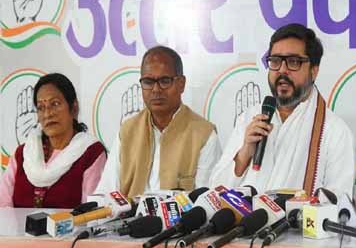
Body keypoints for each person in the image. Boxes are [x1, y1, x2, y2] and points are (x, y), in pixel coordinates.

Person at [210, 24, 355, 197]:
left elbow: (338, 202)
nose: (282, 70)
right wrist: (245, 153)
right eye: (275, 61)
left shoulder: (334, 131)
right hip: (246, 215)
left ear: (314, 71)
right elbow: (215, 190)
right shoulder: (250, 118)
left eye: (293, 62)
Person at [95, 46, 221, 198]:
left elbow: (206, 199)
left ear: (181, 84)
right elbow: (107, 193)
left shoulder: (204, 134)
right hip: (130, 213)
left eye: (164, 81)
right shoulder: (128, 131)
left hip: (181, 214)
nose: (156, 89)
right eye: (148, 82)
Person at [0, 73, 106, 208]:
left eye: (55, 104)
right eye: (41, 107)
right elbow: (3, 205)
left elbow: (93, 211)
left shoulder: (90, 153)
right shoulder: (23, 154)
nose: (47, 114)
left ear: (74, 108)